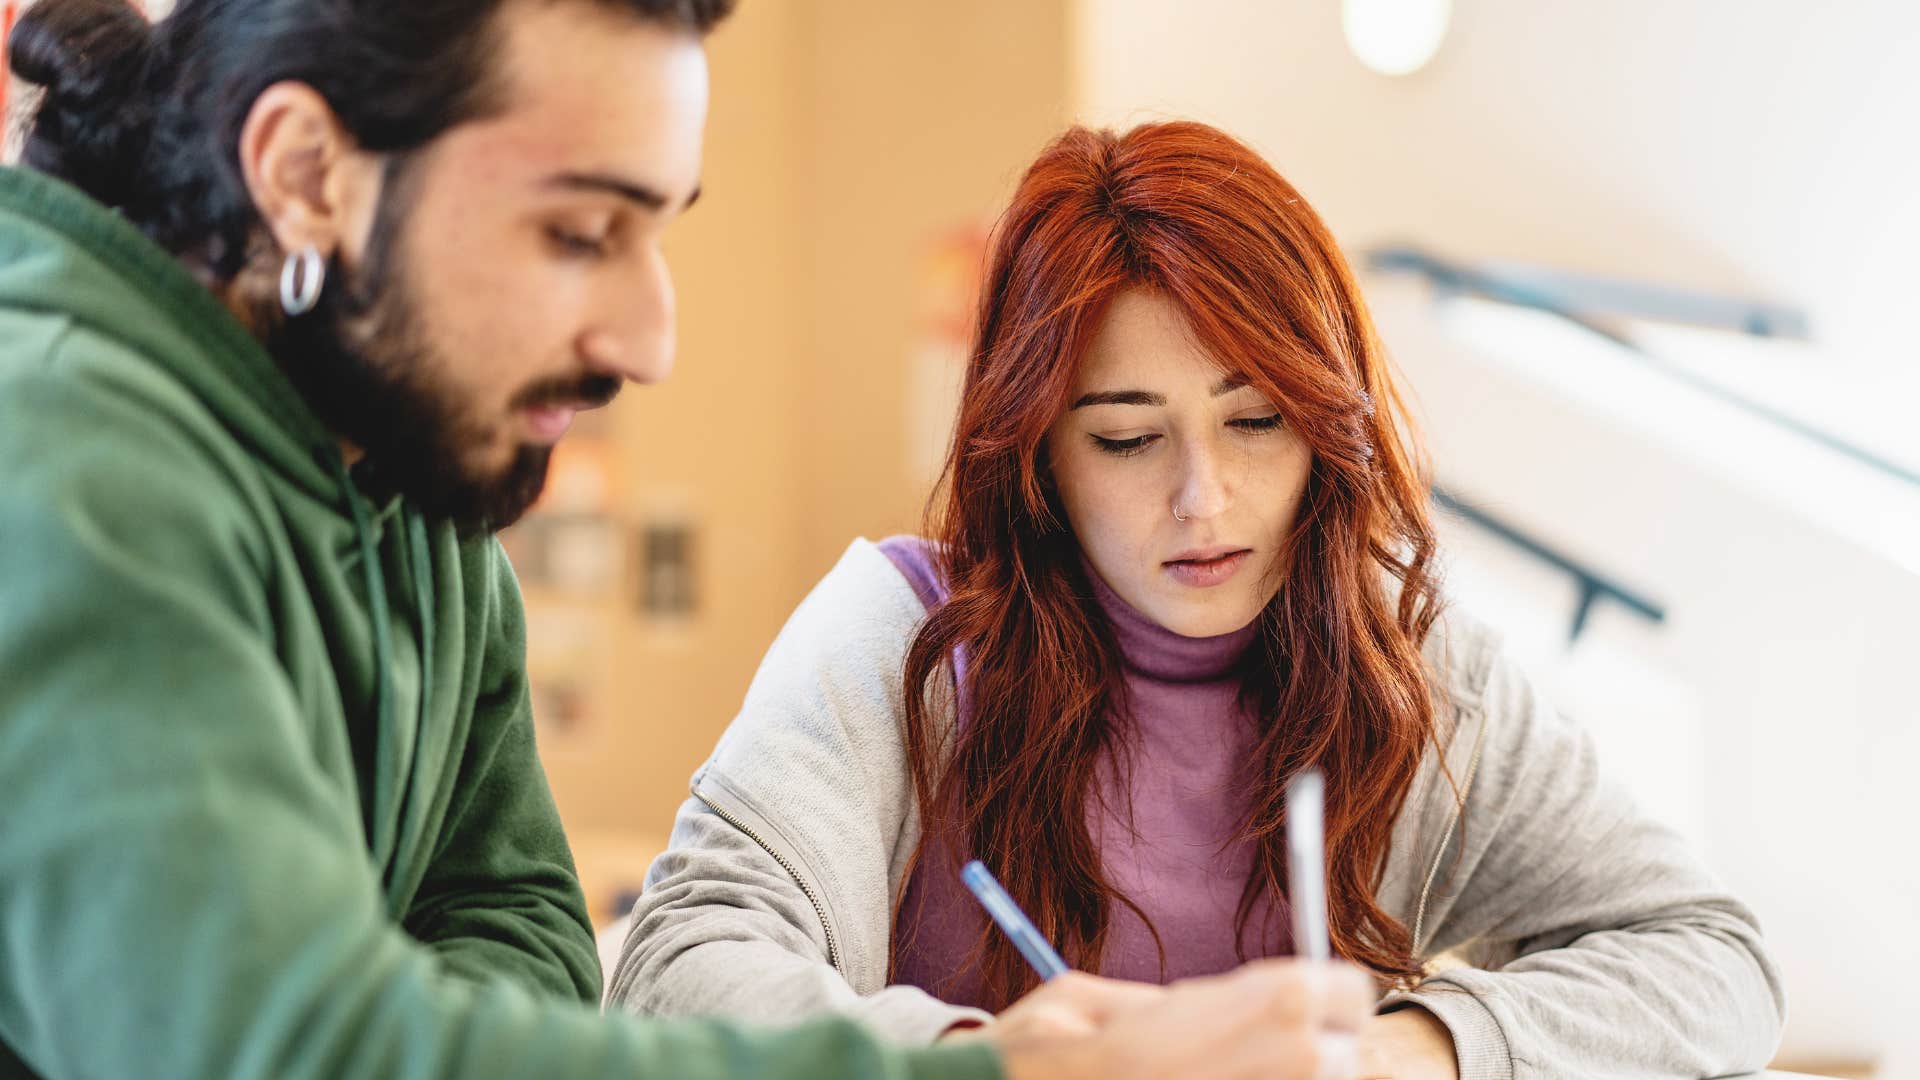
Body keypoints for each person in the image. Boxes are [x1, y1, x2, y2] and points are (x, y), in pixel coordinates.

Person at [0, 2, 1375, 1078]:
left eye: (655, 233)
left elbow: (535, 957)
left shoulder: (415, 488)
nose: (648, 338)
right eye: (581, 231)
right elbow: (296, 1054)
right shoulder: (64, 463)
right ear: (305, 174)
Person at [610, 121, 1789, 1079]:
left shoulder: (1411, 668)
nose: (1203, 499)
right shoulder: (901, 641)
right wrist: (989, 1065)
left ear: (1329, 425)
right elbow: (676, 971)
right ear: (1037, 456)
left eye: (1257, 422)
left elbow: (1715, 961)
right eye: (1126, 438)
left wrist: (1412, 1051)